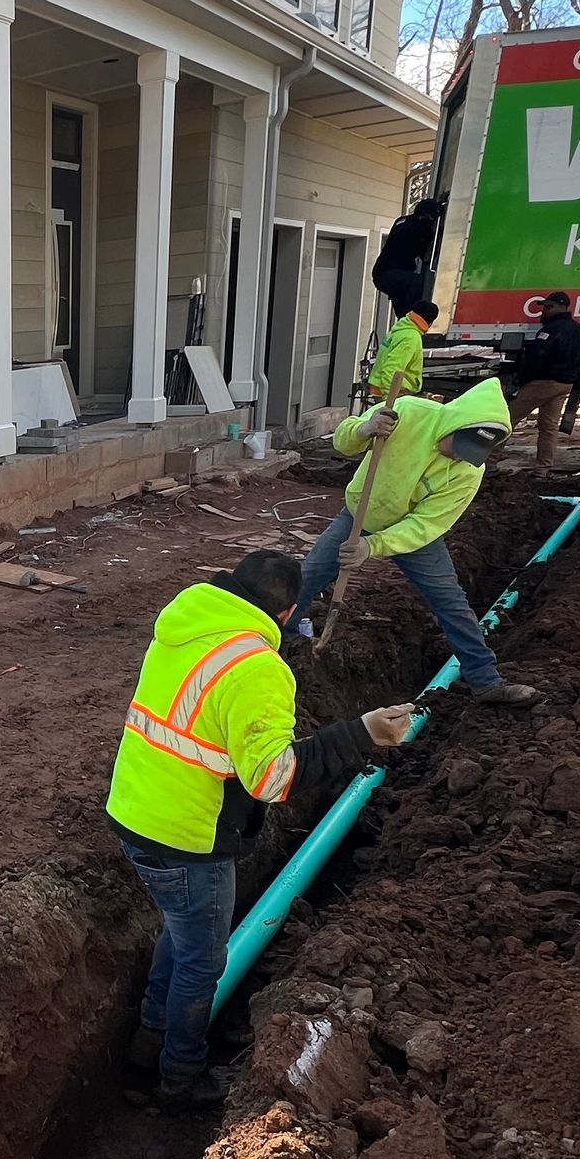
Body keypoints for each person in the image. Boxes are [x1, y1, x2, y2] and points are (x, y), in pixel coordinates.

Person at [107, 548, 415, 1112]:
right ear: (290, 609)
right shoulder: (257, 668)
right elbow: (272, 780)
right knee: (202, 961)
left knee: (180, 934)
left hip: (135, 811)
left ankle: (147, 1042)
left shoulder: (186, 624)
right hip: (187, 835)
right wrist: (361, 734)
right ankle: (180, 1078)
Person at [289, 374, 541, 707]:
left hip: (410, 533)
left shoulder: (469, 471)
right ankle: (278, 641)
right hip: (359, 515)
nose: (460, 457)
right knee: (307, 577)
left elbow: (425, 525)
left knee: (450, 601)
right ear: (453, 423)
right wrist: (365, 430)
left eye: (472, 453)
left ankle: (486, 681)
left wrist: (372, 546)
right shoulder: (406, 413)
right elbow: (343, 442)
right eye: (460, 446)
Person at [509, 290, 580, 475]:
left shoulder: (550, 330)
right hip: (565, 383)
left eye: (548, 307)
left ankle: (489, 463)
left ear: (561, 307)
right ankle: (543, 470)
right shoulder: (578, 329)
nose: (544, 311)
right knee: (549, 428)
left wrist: (519, 381)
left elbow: (537, 358)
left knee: (508, 419)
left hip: (543, 382)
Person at [369, 194, 445, 319]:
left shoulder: (402, 221)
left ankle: (405, 323)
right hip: (388, 274)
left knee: (403, 310)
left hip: (384, 274)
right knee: (420, 283)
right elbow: (426, 255)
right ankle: (416, 318)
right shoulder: (417, 230)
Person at [367, 297, 439, 403]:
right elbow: (392, 368)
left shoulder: (401, 328)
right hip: (394, 392)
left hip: (380, 387)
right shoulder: (410, 337)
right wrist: (390, 401)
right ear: (429, 323)